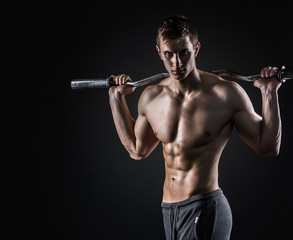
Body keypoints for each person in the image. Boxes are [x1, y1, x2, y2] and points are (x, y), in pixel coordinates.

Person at [109, 15, 282, 240]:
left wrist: (269, 93)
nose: (176, 64)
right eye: (169, 55)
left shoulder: (225, 94)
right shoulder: (151, 97)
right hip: (169, 211)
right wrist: (115, 99)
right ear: (159, 52)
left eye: (184, 53)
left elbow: (267, 147)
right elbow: (136, 150)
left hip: (205, 207)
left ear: (196, 48)